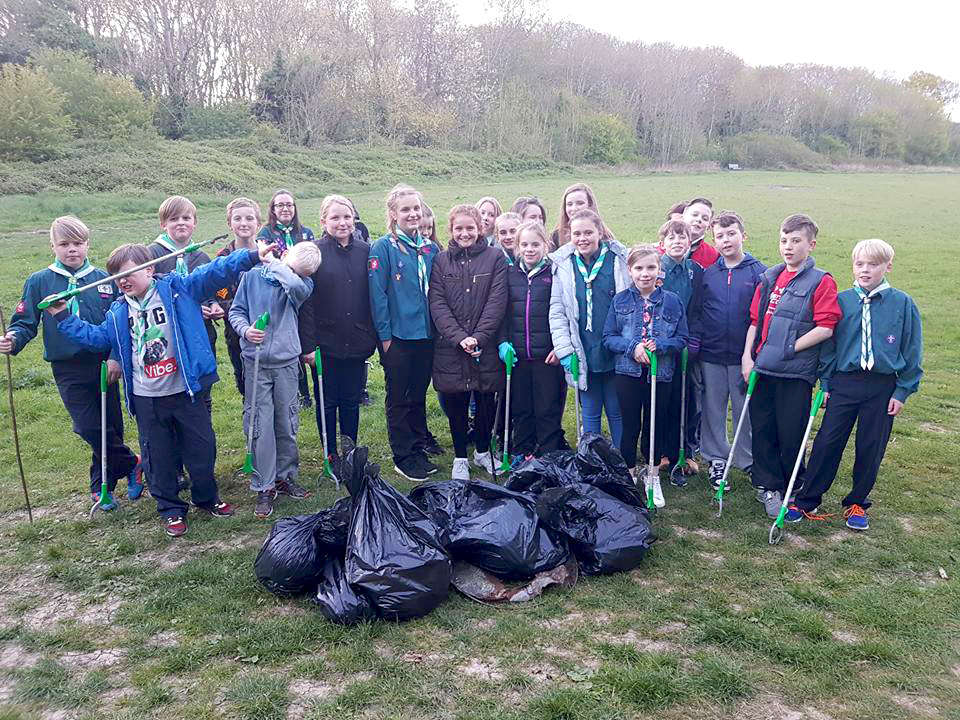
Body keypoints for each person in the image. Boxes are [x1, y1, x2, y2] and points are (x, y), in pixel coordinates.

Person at [49, 239, 276, 537]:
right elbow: (97, 338)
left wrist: (251, 255)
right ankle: (170, 508)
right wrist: (63, 316)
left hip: (185, 391)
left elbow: (214, 272)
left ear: (149, 269)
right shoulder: (118, 312)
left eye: (128, 273)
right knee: (158, 457)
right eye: (116, 277)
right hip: (147, 398)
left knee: (202, 449)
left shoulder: (179, 289)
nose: (122, 281)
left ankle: (207, 498)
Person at [1, 216, 142, 509]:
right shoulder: (40, 281)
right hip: (67, 366)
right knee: (88, 426)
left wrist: (116, 357)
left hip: (104, 363)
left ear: (87, 244)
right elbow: (25, 322)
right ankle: (133, 463)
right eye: (64, 244)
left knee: (110, 425)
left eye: (78, 243)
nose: (72, 250)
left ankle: (101, 485)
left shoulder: (103, 279)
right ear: (52, 246)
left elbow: (120, 324)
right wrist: (13, 339)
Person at [785, 239, 922, 531]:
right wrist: (826, 382)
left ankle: (857, 501)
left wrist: (902, 390)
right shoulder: (842, 301)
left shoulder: (902, 304)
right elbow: (829, 347)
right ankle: (808, 499)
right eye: (860, 264)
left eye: (873, 264)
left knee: (871, 445)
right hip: (844, 383)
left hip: (883, 386)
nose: (865, 270)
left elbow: (912, 350)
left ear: (888, 266)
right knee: (827, 441)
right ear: (853, 266)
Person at [742, 213, 841, 518]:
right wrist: (747, 357)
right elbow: (755, 322)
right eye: (784, 240)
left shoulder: (821, 281)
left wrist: (789, 348)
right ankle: (768, 484)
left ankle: (792, 484)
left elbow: (826, 327)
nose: (788, 246)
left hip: (795, 372)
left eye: (796, 241)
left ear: (811, 245)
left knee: (791, 431)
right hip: (763, 368)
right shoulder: (769, 277)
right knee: (762, 428)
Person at [231, 241, 319, 518]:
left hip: (286, 362)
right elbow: (236, 311)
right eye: (296, 269)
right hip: (255, 361)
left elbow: (294, 286)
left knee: (286, 422)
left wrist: (279, 265)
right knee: (260, 424)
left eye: (302, 273)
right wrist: (245, 331)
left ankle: (285, 476)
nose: (298, 275)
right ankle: (264, 485)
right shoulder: (251, 277)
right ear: (286, 255)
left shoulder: (301, 284)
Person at [603, 245, 688, 507]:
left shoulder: (672, 301)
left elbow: (682, 338)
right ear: (630, 271)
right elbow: (609, 337)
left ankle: (652, 475)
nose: (645, 273)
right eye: (639, 268)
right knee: (630, 425)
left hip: (660, 375)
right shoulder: (620, 300)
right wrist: (633, 347)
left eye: (651, 267)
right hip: (627, 373)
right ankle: (628, 474)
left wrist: (661, 345)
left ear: (659, 270)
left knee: (655, 424)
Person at [428, 204, 508, 480]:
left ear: (480, 228)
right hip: (451, 346)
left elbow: (497, 301)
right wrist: (459, 337)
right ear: (451, 230)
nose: (465, 233)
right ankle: (460, 457)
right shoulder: (441, 261)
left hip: (485, 343)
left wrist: (479, 336)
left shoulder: (495, 257)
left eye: (470, 228)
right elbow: (437, 303)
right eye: (459, 228)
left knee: (486, 399)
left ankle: (483, 451)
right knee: (456, 402)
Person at [368, 184, 442, 481]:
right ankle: (403, 455)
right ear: (393, 214)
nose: (412, 214)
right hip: (397, 337)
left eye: (416, 208)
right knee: (399, 396)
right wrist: (385, 337)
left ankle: (418, 447)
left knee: (418, 394)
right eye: (405, 209)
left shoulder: (430, 248)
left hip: (426, 334)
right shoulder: (383, 247)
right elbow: (378, 295)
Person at [299, 195, 378, 461]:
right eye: (335, 217)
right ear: (324, 221)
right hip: (325, 343)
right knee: (326, 400)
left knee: (351, 400)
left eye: (347, 217)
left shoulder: (366, 251)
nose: (342, 222)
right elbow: (306, 304)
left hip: (357, 339)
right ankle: (330, 453)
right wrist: (308, 346)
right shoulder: (315, 252)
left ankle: (350, 451)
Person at [549, 208, 630, 447]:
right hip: (582, 348)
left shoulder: (618, 260)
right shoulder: (563, 265)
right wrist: (565, 351)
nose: (582, 238)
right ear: (570, 235)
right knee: (590, 410)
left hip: (614, 349)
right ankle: (592, 458)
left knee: (616, 409)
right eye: (577, 233)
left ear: (600, 232)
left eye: (588, 233)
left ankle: (621, 458)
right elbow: (557, 311)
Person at [700, 211, 766, 490]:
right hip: (712, 354)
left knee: (744, 409)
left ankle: (746, 459)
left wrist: (753, 354)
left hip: (744, 356)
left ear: (743, 236)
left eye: (731, 234)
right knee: (713, 408)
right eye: (720, 236)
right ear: (714, 241)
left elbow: (762, 317)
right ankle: (717, 458)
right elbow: (700, 310)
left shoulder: (760, 272)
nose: (726, 240)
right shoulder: (709, 273)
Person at [498, 221, 568, 463]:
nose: (529, 249)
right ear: (517, 246)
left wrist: (559, 347)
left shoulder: (553, 274)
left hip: (546, 356)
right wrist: (503, 342)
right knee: (521, 407)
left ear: (545, 245)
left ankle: (548, 454)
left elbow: (562, 312)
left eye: (535, 244)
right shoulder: (510, 275)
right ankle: (521, 451)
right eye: (525, 244)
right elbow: (502, 314)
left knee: (547, 407)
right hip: (517, 355)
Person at [258, 189, 318, 410]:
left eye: (289, 204)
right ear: (273, 209)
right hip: (281, 295)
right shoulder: (265, 233)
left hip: (305, 292)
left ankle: (318, 388)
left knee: (310, 339)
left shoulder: (306, 232)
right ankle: (303, 394)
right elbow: (267, 261)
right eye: (280, 205)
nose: (285, 209)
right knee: (294, 344)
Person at [657, 219, 704, 483]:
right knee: (662, 398)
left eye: (682, 237)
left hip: (686, 346)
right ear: (662, 243)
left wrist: (693, 338)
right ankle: (662, 451)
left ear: (690, 241)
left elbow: (697, 308)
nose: (677, 242)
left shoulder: (695, 271)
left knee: (685, 399)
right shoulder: (657, 268)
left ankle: (683, 451)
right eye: (671, 237)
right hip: (662, 345)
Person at [148, 195, 221, 358]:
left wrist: (213, 303)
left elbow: (209, 290)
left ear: (194, 223)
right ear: (163, 224)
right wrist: (190, 309)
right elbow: (149, 294)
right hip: (167, 330)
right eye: (174, 219)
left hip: (201, 330)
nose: (181, 222)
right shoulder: (152, 255)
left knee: (203, 370)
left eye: (186, 218)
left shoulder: (202, 257)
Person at [215, 197, 263, 396]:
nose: (244, 223)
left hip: (269, 327)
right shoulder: (222, 257)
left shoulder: (269, 253)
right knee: (244, 378)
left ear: (258, 224)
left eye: (249, 218)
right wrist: (242, 319)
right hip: (237, 330)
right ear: (230, 223)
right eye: (238, 219)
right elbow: (221, 294)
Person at [550, 183, 616, 249]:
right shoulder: (556, 236)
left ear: (590, 205)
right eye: (569, 204)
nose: (574, 208)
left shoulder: (605, 236)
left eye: (580, 203)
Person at [681, 197, 719, 269]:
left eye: (705, 219)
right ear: (684, 214)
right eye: (695, 215)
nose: (699, 219)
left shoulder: (713, 255)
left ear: (709, 226)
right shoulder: (663, 247)